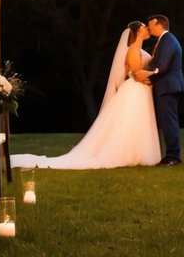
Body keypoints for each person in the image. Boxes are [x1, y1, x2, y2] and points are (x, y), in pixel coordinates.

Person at [10, 21, 161, 169]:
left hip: (139, 91)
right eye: (144, 27)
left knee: (137, 121)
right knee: (128, 122)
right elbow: (135, 72)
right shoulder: (133, 49)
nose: (147, 29)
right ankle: (126, 153)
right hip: (133, 90)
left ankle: (137, 152)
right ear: (138, 31)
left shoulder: (141, 50)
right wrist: (155, 72)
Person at [134, 14, 184, 165]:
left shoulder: (167, 40)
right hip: (168, 85)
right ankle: (171, 155)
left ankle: (173, 156)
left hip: (168, 86)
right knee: (168, 120)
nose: (148, 28)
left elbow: (161, 66)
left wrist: (147, 74)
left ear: (157, 23)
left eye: (150, 24)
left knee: (169, 121)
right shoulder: (165, 40)